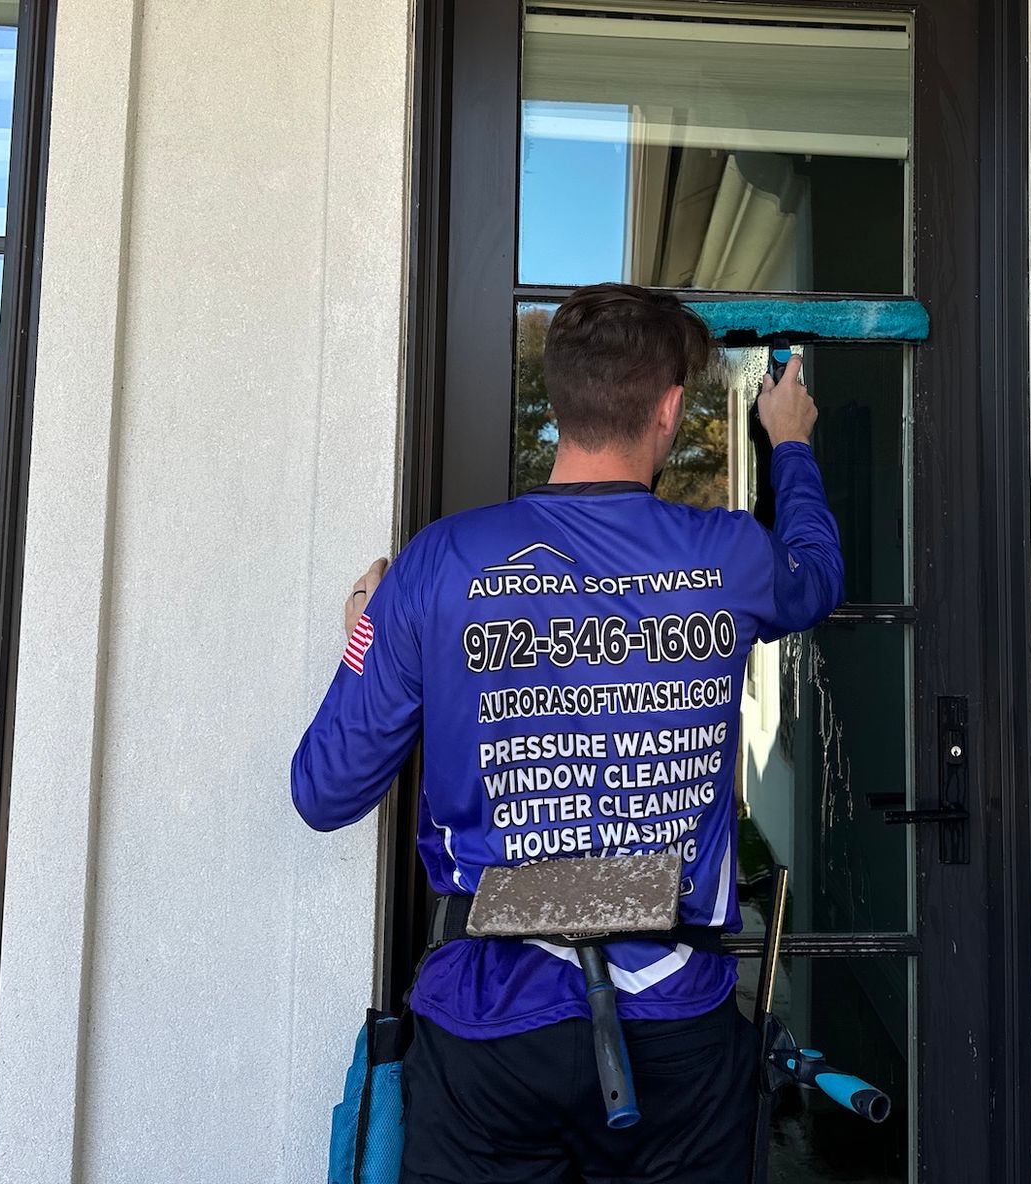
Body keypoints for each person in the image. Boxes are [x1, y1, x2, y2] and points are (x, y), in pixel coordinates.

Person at [291, 282, 845, 1184]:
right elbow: (816, 572)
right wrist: (789, 442)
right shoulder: (729, 553)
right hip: (674, 1024)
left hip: (486, 1036)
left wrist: (365, 631)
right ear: (669, 409)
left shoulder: (437, 563)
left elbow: (324, 792)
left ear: (559, 405)